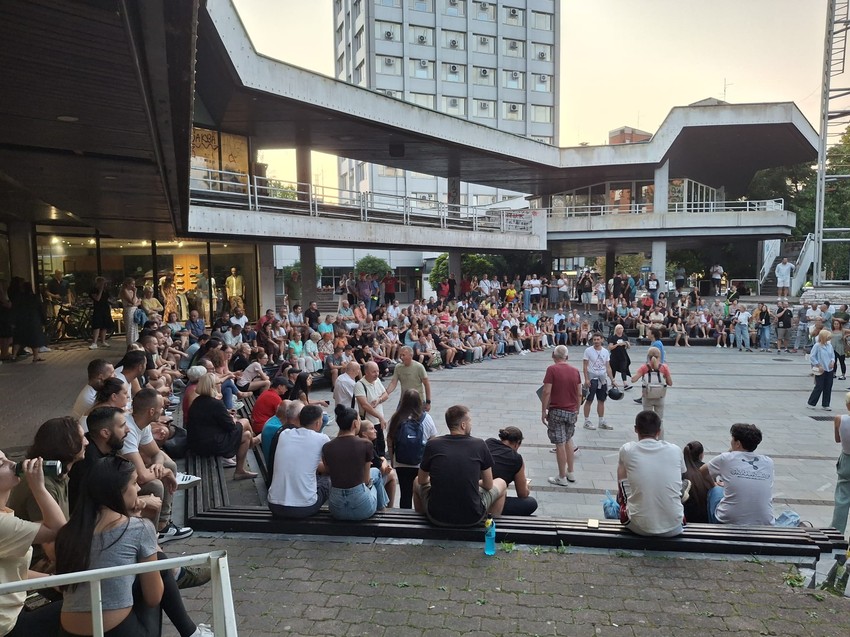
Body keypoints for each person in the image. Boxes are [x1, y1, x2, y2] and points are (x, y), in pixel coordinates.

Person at [56, 456, 212, 637]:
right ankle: (192, 633)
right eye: (134, 483)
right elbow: (153, 598)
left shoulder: (67, 532)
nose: (139, 489)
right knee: (159, 562)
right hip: (119, 631)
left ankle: (192, 632)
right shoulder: (138, 528)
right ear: (118, 491)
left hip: (68, 632)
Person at [0, 453, 66, 637]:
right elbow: (58, 530)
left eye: (6, 458)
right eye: (1, 463)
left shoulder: (4, 514)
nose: (12, 463)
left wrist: (52, 580)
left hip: (15, 610)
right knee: (87, 607)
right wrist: (38, 487)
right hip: (6, 624)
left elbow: (11, 572)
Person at [413, 405, 507, 527]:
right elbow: (488, 485)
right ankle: (489, 527)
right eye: (470, 421)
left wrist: (441, 478)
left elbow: (421, 480)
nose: (471, 424)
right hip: (472, 516)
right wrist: (474, 482)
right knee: (501, 483)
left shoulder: (433, 444)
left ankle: (420, 525)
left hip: (437, 516)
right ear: (463, 425)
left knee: (415, 482)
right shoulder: (479, 445)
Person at [614, 410, 686, 537]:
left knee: (623, 488)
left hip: (638, 526)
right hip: (674, 526)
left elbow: (622, 484)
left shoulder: (627, 450)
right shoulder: (675, 450)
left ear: (636, 429)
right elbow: (681, 476)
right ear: (659, 431)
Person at [322, 405, 388, 521]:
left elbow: (328, 470)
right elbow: (366, 480)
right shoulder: (365, 445)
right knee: (376, 472)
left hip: (336, 508)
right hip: (362, 507)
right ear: (355, 424)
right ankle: (383, 511)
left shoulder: (327, 447)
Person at [186, 374, 258, 480]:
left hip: (197, 443)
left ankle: (243, 464)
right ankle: (253, 443)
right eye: (219, 383)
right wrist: (232, 419)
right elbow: (231, 427)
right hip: (210, 444)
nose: (221, 384)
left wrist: (226, 414)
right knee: (245, 422)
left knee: (246, 434)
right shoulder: (215, 403)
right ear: (212, 386)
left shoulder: (197, 401)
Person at [702, 423, 774, 525]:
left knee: (716, 490)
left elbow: (702, 471)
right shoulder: (768, 462)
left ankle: (714, 530)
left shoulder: (726, 458)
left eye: (732, 439)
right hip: (764, 522)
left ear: (738, 443)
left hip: (727, 521)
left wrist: (713, 484)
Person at [267, 405, 331, 519]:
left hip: (274, 505)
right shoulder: (322, 438)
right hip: (304, 507)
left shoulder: (284, 434)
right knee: (327, 479)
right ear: (318, 423)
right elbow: (329, 468)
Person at [386, 390, 437, 509]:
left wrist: (393, 459)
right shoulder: (426, 418)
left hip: (401, 462)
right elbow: (433, 440)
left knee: (405, 493)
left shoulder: (396, 417)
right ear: (420, 402)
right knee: (421, 491)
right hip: (420, 463)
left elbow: (390, 439)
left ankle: (404, 519)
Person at [540, 345, 582, 486]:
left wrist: (543, 410)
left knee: (560, 443)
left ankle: (561, 476)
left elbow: (546, 391)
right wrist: (577, 409)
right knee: (569, 439)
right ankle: (571, 472)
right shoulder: (575, 371)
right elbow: (580, 392)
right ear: (567, 357)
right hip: (571, 410)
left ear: (553, 356)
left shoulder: (552, 370)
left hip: (557, 410)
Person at [486, 427, 537, 516]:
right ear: (517, 444)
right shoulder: (516, 458)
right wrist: (526, 486)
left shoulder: (489, 442)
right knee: (531, 503)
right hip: (492, 500)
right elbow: (522, 494)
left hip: (474, 493)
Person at [630, 346, 673, 435]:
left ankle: (647, 437)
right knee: (660, 420)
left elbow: (633, 380)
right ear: (659, 356)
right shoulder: (664, 367)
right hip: (660, 396)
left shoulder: (644, 367)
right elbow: (670, 383)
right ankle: (660, 440)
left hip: (647, 396)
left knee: (647, 420)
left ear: (648, 356)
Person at [582, 333, 616, 431]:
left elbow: (608, 366)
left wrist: (612, 379)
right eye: (594, 339)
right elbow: (585, 366)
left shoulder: (605, 351)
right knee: (589, 400)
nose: (596, 341)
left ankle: (601, 421)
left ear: (602, 340)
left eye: (598, 339)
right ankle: (586, 421)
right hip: (592, 378)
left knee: (601, 400)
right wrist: (587, 379)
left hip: (602, 379)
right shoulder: (588, 351)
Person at [385, 346, 432, 411]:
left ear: (411, 355)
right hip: (404, 400)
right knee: (398, 419)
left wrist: (428, 402)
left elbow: (426, 384)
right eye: (400, 355)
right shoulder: (398, 367)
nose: (401, 357)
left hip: (417, 401)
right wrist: (386, 393)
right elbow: (393, 383)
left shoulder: (419, 367)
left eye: (403, 355)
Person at [682, 441, 715, 524]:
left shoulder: (681, 472)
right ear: (701, 455)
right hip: (706, 519)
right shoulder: (707, 470)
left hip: (687, 519)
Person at [831, 392, 850, 534]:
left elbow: (837, 439)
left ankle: (836, 532)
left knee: (842, 499)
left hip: (846, 458)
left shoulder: (839, 419)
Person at [807, 328, 836, 411]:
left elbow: (832, 356)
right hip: (820, 369)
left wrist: (832, 362)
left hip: (829, 369)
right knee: (819, 386)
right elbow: (812, 357)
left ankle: (826, 404)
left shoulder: (829, 346)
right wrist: (818, 364)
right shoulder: (817, 346)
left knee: (828, 386)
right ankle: (811, 403)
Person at [607, 324, 632, 389]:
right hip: (615, 356)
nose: (620, 330)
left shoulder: (624, 337)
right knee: (613, 369)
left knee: (624, 369)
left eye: (621, 328)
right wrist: (617, 345)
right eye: (619, 328)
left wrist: (626, 344)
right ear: (616, 330)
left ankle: (625, 383)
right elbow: (610, 347)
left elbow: (628, 346)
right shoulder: (612, 338)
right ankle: (613, 382)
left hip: (623, 356)